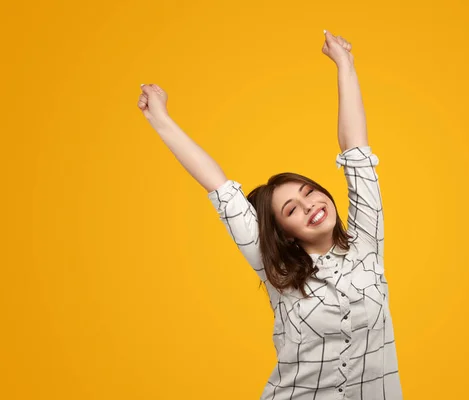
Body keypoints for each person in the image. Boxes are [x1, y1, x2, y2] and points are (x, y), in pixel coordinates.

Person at [137, 30, 403, 400]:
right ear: (284, 232)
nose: (310, 205)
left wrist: (345, 64)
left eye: (310, 192)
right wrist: (161, 119)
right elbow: (219, 188)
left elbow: (356, 149)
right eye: (292, 208)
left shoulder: (367, 245)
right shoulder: (277, 271)